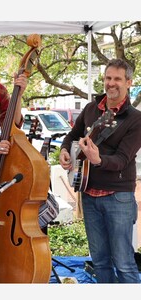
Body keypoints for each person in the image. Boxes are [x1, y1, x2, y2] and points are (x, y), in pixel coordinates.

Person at [59, 58, 141, 283]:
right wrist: (65, 151)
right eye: (108, 78)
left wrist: (98, 160)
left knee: (124, 263)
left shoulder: (136, 119)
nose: (111, 83)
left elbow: (123, 160)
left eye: (117, 79)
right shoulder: (91, 108)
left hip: (118, 197)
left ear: (128, 82)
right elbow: (71, 136)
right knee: (100, 261)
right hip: (89, 194)